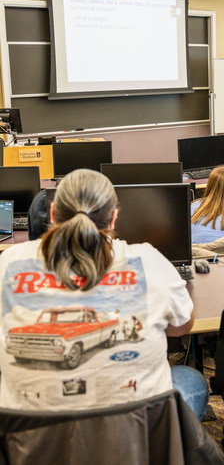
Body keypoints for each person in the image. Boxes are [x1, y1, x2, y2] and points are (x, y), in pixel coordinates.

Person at [0, 169, 209, 419]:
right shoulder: (149, 259)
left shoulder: (8, 261)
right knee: (190, 379)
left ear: (53, 214)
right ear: (113, 220)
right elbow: (181, 328)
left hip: (32, 444)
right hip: (134, 440)